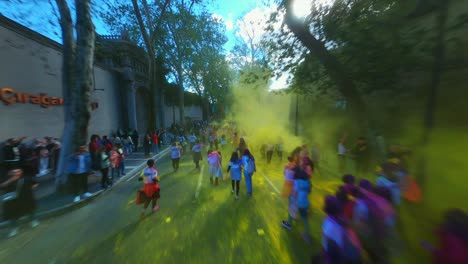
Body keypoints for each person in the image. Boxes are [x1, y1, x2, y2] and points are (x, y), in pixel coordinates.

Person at [1, 169, 40, 238]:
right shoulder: (7, 179)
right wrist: (11, 180)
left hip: (24, 198)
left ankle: (33, 221)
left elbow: (35, 183)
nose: (16, 173)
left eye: (18, 171)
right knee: (12, 214)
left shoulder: (25, 178)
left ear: (21, 171)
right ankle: (14, 228)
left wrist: (32, 188)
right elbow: (2, 186)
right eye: (14, 171)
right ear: (10, 172)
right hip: (12, 200)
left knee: (30, 209)